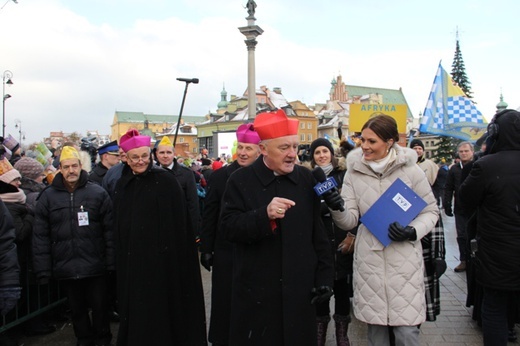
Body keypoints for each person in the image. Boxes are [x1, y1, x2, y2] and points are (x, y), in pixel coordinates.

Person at [220, 109, 334, 345]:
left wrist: (325, 277)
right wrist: (264, 215)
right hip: (257, 293)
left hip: (299, 291)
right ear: (263, 149)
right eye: (284, 148)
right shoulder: (240, 181)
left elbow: (318, 234)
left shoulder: (306, 178)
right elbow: (228, 228)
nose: (293, 154)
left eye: (295, 147)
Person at [330, 114, 438, 346]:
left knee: (406, 334)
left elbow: (431, 212)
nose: (364, 146)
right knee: (376, 335)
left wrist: (412, 232)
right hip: (370, 264)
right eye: (363, 140)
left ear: (390, 142)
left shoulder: (411, 171)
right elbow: (349, 221)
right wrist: (336, 207)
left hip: (404, 264)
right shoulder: (353, 172)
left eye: (372, 141)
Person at [112, 129, 207, 346]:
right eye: (135, 157)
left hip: (163, 263)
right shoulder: (122, 185)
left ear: (150, 155)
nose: (140, 161)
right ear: (126, 158)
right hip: (134, 264)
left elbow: (178, 225)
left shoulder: (166, 181)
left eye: (144, 156)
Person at [32, 146, 114, 346]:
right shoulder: (48, 197)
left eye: (74, 166)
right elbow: (40, 235)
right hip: (66, 265)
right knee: (76, 308)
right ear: (60, 168)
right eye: (66, 166)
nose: (71, 170)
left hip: (95, 263)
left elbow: (110, 230)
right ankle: (83, 338)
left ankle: (103, 339)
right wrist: (43, 268)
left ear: (81, 166)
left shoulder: (97, 193)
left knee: (100, 306)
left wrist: (112, 261)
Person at [459, 109, 520, 345]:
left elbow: (465, 200)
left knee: (494, 307)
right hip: (500, 251)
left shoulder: (486, 166)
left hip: (497, 254)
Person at [199, 123, 261, 346]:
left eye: (248, 148)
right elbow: (210, 215)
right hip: (226, 250)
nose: (243, 152)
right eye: (241, 147)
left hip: (255, 250)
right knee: (225, 300)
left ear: (259, 150)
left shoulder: (265, 177)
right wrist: (206, 248)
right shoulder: (219, 177)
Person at [308, 137, 355, 346]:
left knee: (343, 288)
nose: (321, 156)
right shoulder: (309, 178)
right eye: (317, 153)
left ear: (331, 154)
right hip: (319, 242)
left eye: (324, 152)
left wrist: (351, 234)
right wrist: (323, 207)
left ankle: (341, 334)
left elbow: (353, 207)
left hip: (342, 238)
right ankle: (319, 332)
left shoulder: (344, 175)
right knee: (322, 288)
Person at [409, 139, 446, 323]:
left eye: (419, 148)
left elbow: (434, 220)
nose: (417, 150)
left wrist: (438, 255)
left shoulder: (428, 168)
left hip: (422, 250)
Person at [154, 136, 200, 237]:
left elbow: (193, 204)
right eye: (162, 153)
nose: (165, 156)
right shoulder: (152, 174)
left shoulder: (186, 174)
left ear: (174, 154)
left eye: (169, 152)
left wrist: (192, 230)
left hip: (180, 227)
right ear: (156, 154)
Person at [443, 141, 474, 272]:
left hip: (475, 208)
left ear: (472, 152)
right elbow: (448, 187)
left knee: (474, 234)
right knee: (461, 235)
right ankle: (463, 260)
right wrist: (447, 204)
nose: (464, 154)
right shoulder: (454, 169)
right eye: (461, 151)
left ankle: (475, 260)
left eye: (466, 151)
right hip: (460, 208)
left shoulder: (478, 166)